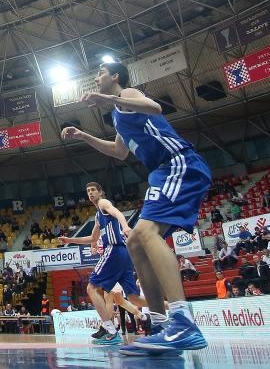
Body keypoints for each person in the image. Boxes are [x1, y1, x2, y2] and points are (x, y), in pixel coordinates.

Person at [61, 61, 210, 355]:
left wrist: (106, 99)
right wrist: (83, 136)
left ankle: (182, 321)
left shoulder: (129, 94)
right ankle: (160, 324)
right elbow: (118, 152)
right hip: (162, 171)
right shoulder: (119, 116)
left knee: (143, 234)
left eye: (100, 73)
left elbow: (156, 108)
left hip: (178, 163)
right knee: (135, 242)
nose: (96, 77)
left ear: (115, 77)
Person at [59, 182, 146, 345]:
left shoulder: (103, 203)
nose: (90, 193)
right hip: (123, 255)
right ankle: (175, 309)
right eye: (88, 191)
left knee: (91, 288)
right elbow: (92, 239)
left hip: (114, 250)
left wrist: (126, 226)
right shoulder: (98, 216)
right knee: (135, 298)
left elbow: (117, 212)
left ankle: (111, 331)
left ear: (100, 192)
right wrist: (69, 240)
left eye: (93, 190)